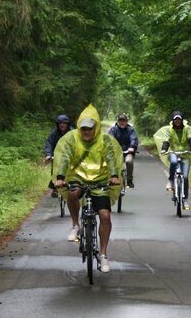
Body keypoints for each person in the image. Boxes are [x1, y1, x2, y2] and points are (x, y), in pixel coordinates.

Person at [52, 104, 122, 273]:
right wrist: (61, 178)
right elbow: (65, 158)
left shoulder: (104, 140)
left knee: (105, 216)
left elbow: (111, 158)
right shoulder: (71, 138)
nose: (87, 132)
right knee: (73, 192)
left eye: (90, 129)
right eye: (83, 129)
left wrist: (113, 176)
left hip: (100, 180)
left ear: (95, 128)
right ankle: (75, 225)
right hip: (78, 177)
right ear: (79, 128)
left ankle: (103, 255)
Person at [155, 111, 191, 209]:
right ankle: (171, 181)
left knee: (185, 177)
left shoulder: (187, 129)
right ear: (173, 120)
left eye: (179, 119)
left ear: (182, 120)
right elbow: (166, 141)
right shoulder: (169, 130)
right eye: (175, 119)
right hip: (173, 152)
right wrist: (164, 149)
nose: (177, 121)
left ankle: (185, 200)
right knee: (173, 162)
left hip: (185, 154)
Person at [43, 114, 73, 196]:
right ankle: (55, 188)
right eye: (60, 123)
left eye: (64, 123)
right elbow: (49, 143)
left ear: (68, 124)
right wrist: (48, 154)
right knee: (55, 170)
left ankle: (72, 186)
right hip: (57, 155)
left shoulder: (72, 133)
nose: (62, 125)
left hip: (69, 155)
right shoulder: (54, 133)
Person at [108, 113, 140, 188]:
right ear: (117, 121)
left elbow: (133, 139)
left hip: (127, 151)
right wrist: (111, 147)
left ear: (126, 121)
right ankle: (112, 179)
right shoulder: (113, 129)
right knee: (110, 162)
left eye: (124, 120)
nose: (122, 122)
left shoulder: (130, 129)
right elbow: (110, 139)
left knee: (129, 161)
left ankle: (129, 180)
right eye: (120, 120)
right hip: (116, 152)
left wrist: (132, 147)